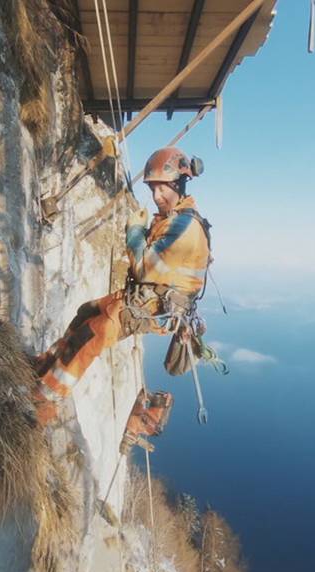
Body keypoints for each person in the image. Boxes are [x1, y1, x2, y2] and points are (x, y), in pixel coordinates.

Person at [32, 147, 211, 426]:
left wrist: (135, 230)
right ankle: (45, 365)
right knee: (86, 312)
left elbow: (143, 268)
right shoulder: (173, 219)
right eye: (152, 189)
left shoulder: (185, 227)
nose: (156, 196)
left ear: (178, 183)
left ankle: (45, 400)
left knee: (93, 334)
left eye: (162, 188)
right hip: (148, 299)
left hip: (157, 308)